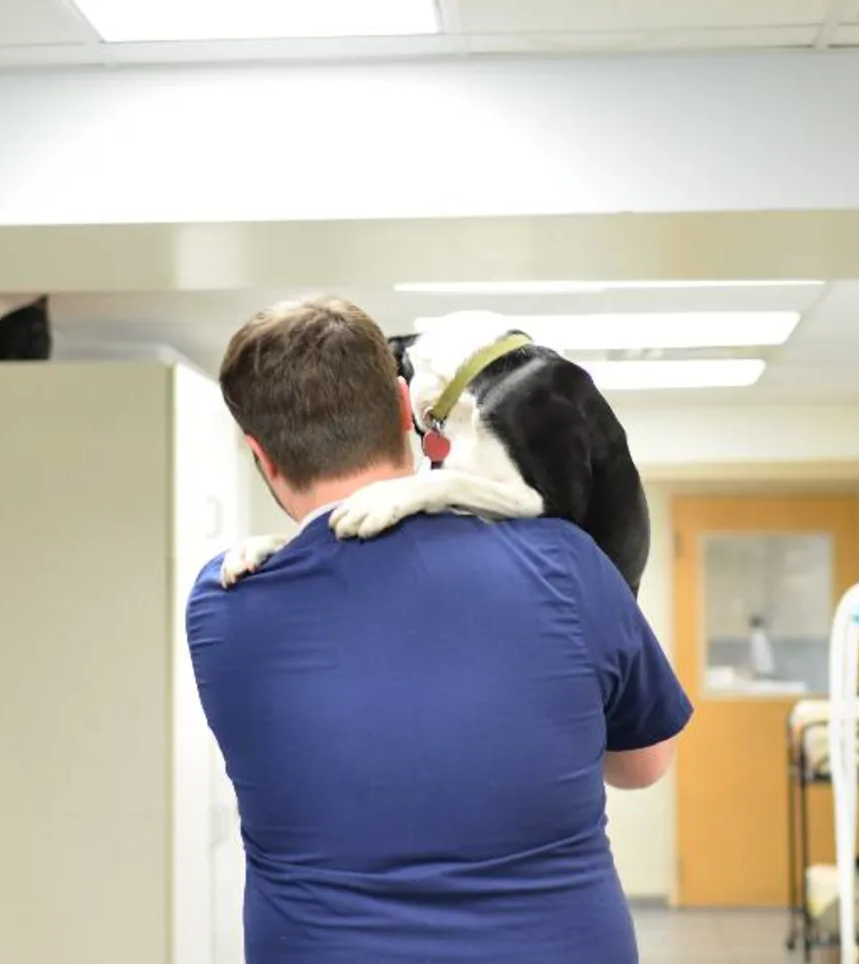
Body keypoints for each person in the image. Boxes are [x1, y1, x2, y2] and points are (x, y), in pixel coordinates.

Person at [186, 296, 694, 964]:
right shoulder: (567, 563)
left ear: (263, 456)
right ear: (405, 408)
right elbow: (643, 762)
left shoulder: (225, 602)